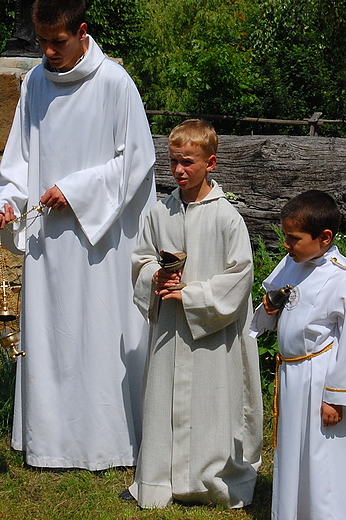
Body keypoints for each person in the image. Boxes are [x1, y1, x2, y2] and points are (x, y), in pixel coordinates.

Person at [0, 0, 156, 470]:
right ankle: (49, 441)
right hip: (49, 242)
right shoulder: (33, 83)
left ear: (82, 31)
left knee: (97, 331)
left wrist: (75, 190)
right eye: (41, 41)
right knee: (52, 333)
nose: (48, 51)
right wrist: (9, 202)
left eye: (58, 42)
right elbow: (19, 159)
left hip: (100, 241)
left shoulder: (114, 83)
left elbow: (137, 161)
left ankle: (105, 443)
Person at [124, 119, 263, 508]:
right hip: (170, 330)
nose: (179, 170)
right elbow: (141, 260)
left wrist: (192, 294)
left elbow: (240, 276)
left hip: (211, 335)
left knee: (212, 404)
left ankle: (210, 481)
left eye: (187, 162)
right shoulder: (159, 213)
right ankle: (158, 481)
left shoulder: (226, 218)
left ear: (210, 162)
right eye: (173, 162)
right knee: (164, 399)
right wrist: (155, 277)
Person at [250, 190, 346, 520]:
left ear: (324, 237)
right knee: (291, 450)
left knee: (319, 454)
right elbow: (271, 304)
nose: (286, 245)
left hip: (319, 378)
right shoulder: (292, 263)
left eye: (293, 238)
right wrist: (269, 308)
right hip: (290, 373)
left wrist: (336, 395)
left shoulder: (339, 276)